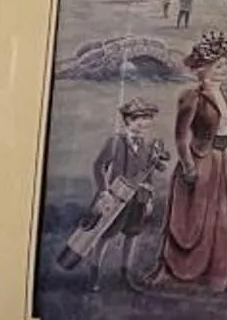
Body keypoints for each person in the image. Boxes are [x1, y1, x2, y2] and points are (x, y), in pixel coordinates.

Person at [159, 33, 227, 292]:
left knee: (221, 219)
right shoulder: (192, 97)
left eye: (225, 65)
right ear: (205, 68)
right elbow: (180, 135)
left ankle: (216, 273)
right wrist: (188, 166)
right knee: (195, 220)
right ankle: (186, 272)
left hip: (222, 163)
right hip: (200, 162)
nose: (224, 70)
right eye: (219, 66)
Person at [59, 97, 168, 280]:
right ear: (128, 120)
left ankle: (125, 275)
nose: (144, 123)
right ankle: (95, 273)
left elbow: (148, 173)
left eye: (148, 119)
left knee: (132, 234)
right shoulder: (115, 142)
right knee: (105, 234)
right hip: (116, 196)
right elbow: (99, 166)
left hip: (138, 197)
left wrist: (149, 197)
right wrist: (105, 192)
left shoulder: (148, 146)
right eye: (139, 119)